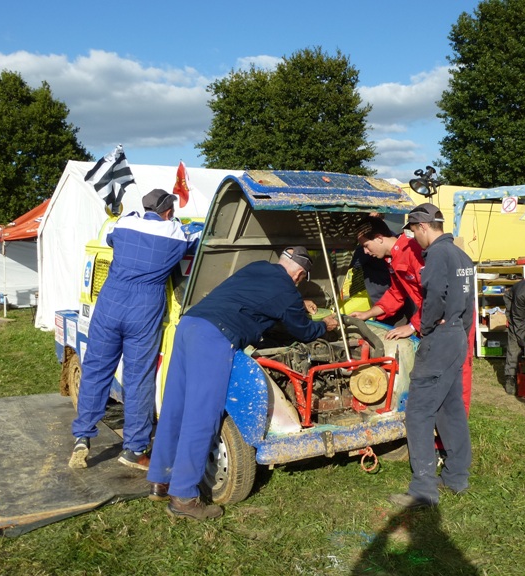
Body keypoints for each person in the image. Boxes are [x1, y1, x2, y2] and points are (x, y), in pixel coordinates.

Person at [147, 247, 339, 520]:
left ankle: (160, 478)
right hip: (214, 337)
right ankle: (184, 497)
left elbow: (257, 301)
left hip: (190, 325)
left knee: (175, 407)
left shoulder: (258, 267)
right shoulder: (287, 290)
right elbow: (303, 330)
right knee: (203, 416)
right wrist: (325, 325)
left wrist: (298, 302)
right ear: (299, 275)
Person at [69, 189, 201, 471]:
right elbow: (198, 240)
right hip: (144, 307)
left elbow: (109, 238)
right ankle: (134, 449)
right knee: (138, 379)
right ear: (169, 211)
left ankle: (82, 437)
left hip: (111, 301)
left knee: (96, 370)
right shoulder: (176, 233)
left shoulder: (125, 223)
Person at [389, 203, 475, 508]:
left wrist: (425, 328)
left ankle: (423, 489)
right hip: (457, 337)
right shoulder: (461, 255)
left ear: (423, 226)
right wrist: (457, 330)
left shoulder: (437, 254)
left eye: (414, 230)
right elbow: (469, 302)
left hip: (439, 340)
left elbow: (434, 293)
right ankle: (456, 476)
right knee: (449, 408)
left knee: (419, 412)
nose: (414, 237)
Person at [348, 216, 423, 340]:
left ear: (379, 238)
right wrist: (367, 314)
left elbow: (434, 295)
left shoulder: (411, 250)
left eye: (366, 245)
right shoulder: (391, 259)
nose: (365, 252)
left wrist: (412, 326)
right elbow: (396, 294)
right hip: (426, 321)